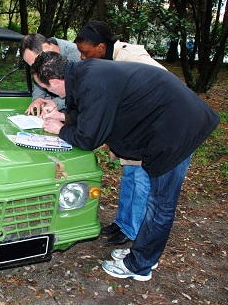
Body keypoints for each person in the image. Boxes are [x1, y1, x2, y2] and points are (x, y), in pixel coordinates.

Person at [31, 51, 219, 281]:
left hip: (178, 129)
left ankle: (140, 265)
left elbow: (89, 137)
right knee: (156, 201)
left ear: (56, 81)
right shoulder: (85, 73)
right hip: (168, 122)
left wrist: (61, 129)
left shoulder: (92, 83)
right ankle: (145, 252)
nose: (52, 94)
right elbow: (96, 112)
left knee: (160, 205)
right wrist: (64, 117)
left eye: (49, 89)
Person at [70, 21, 167, 246]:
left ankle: (132, 230)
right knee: (130, 176)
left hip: (151, 129)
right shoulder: (108, 61)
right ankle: (122, 222)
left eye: (85, 52)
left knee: (141, 180)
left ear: (101, 47)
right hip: (132, 131)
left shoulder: (133, 57)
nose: (83, 58)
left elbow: (162, 84)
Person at [19, 33, 80, 115]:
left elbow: (80, 90)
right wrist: (38, 98)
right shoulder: (39, 54)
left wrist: (57, 103)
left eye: (37, 63)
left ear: (47, 48)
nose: (37, 68)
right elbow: (39, 79)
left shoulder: (78, 55)